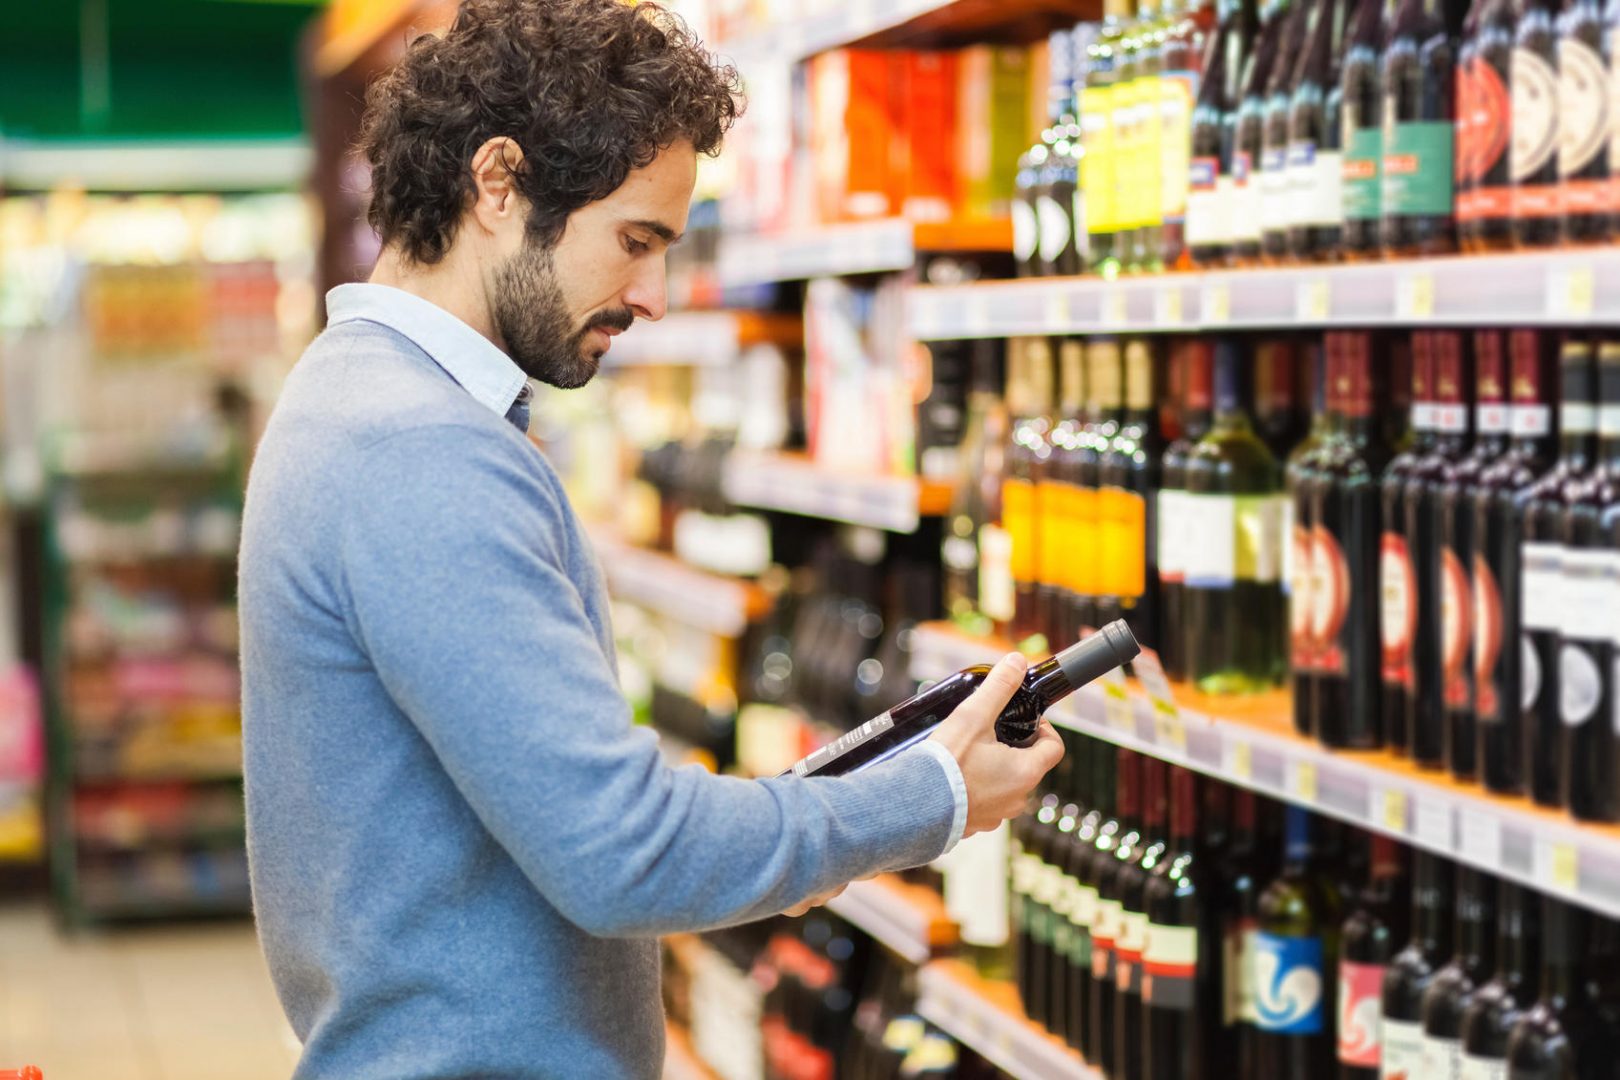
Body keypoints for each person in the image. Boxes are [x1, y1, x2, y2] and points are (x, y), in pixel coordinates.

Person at [238, 1, 1064, 1076]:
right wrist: (930, 800)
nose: (656, 298)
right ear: (498, 182)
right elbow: (626, 852)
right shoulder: (416, 449)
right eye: (635, 241)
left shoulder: (363, 402)